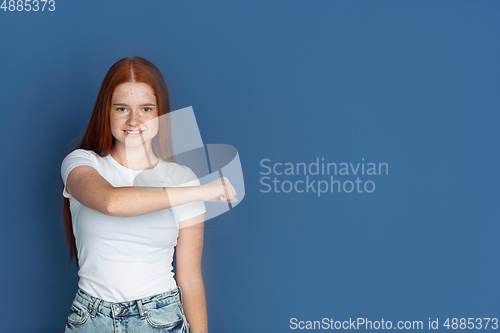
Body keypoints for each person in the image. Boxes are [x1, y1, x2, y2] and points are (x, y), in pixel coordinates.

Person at [61, 56, 237, 333]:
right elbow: (112, 202)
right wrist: (202, 191)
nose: (134, 120)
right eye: (121, 108)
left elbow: (190, 279)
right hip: (90, 319)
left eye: (146, 108)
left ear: (160, 113)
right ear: (105, 112)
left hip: (159, 318)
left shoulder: (182, 177)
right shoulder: (81, 164)